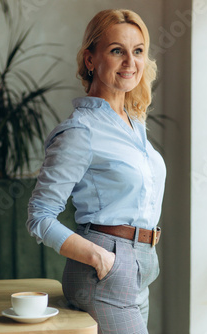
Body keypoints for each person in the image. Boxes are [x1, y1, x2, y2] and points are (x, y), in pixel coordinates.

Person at [26, 8, 166, 334]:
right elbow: (40, 216)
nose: (130, 62)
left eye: (138, 51)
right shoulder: (81, 131)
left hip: (140, 267)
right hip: (104, 268)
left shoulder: (134, 125)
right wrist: (103, 260)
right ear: (90, 60)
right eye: (117, 50)